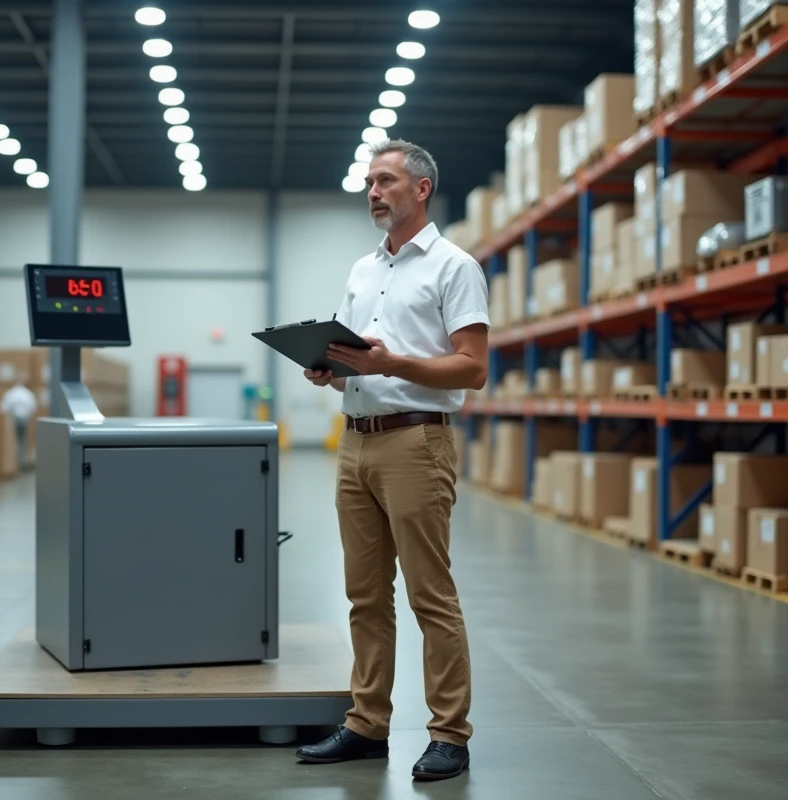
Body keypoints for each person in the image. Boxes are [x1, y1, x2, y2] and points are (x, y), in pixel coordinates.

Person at [295, 140, 489, 781]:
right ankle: (366, 724)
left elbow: (473, 367)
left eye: (385, 181)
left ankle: (449, 736)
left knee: (431, 595)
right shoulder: (362, 270)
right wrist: (328, 367)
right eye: (369, 183)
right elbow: (356, 352)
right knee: (364, 596)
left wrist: (391, 363)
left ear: (422, 188)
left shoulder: (454, 267)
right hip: (356, 441)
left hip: (416, 441)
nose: (373, 193)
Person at [0, 382, 38, 470]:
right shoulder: (28, 394)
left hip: (14, 419)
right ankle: (22, 463)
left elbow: (3, 408)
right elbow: (33, 408)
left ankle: (12, 463)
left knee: (12, 440)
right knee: (22, 440)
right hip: (25, 419)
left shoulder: (11, 393)